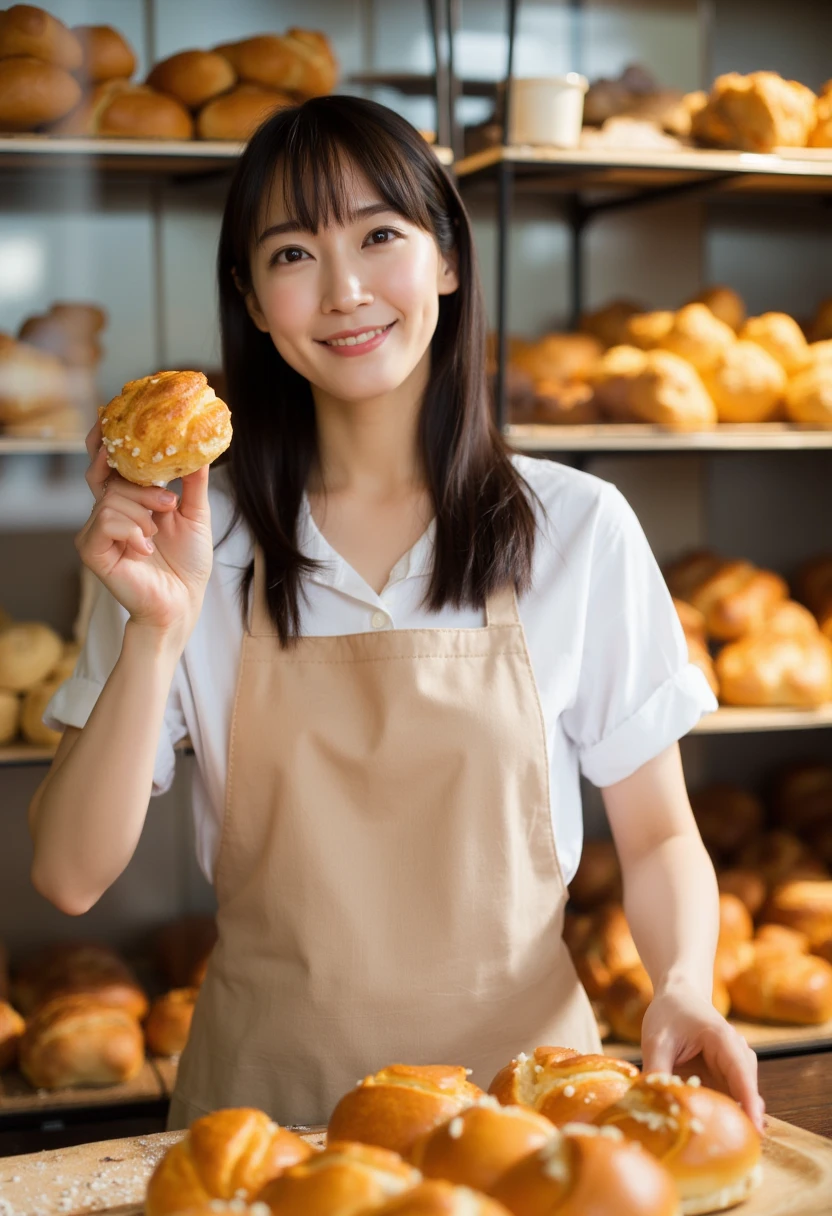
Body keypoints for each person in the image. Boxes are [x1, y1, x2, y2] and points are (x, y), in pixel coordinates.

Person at [28, 95, 763, 1133]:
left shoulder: (576, 527)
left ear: (447, 259)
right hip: (266, 1130)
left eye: (381, 235)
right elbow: (66, 873)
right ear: (250, 296)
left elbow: (656, 838)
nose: (345, 291)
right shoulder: (190, 534)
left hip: (526, 1127)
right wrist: (157, 627)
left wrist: (684, 981)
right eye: (292, 254)